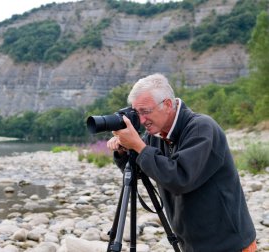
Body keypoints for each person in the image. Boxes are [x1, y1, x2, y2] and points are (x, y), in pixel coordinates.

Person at [107, 73, 256, 252]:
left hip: (227, 243)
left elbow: (179, 178)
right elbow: (141, 172)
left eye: (145, 112)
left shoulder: (202, 128)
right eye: (137, 113)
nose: (142, 120)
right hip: (191, 242)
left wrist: (139, 145)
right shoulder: (156, 135)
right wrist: (124, 151)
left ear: (167, 105)